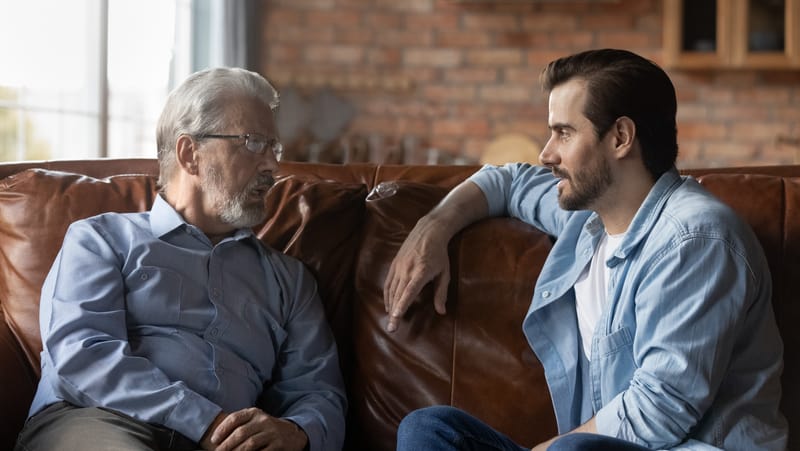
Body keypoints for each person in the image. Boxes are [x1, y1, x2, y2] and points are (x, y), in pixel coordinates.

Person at [384, 49, 787, 450]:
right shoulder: (587, 219)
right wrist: (432, 227)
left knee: (572, 450)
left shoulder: (695, 238)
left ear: (620, 137)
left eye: (564, 133)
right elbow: (504, 181)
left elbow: (658, 414)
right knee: (429, 429)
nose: (546, 154)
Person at [14, 67, 346, 451]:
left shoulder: (290, 280)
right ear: (190, 154)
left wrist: (297, 432)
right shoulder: (100, 240)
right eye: (255, 143)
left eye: (275, 148)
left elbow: (320, 393)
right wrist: (205, 421)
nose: (273, 165)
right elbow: (83, 355)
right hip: (98, 419)